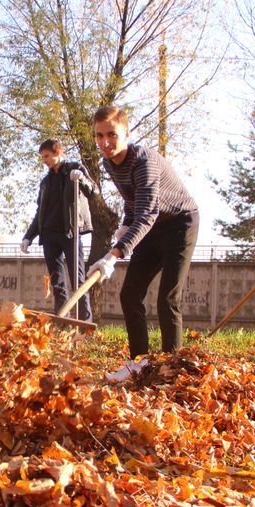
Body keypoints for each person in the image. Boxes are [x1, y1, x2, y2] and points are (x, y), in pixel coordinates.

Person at [88, 106, 199, 383]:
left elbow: (148, 212)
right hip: (152, 228)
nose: (105, 143)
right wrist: (126, 225)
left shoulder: (144, 161)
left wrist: (114, 254)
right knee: (130, 294)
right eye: (99, 136)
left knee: (167, 299)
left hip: (180, 224)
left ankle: (172, 368)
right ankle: (138, 363)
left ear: (127, 132)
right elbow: (132, 200)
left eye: (112, 134)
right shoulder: (109, 163)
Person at [21, 139, 97, 321]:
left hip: (69, 233)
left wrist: (82, 179)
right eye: (42, 157)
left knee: (78, 280)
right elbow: (41, 212)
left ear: (57, 152)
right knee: (57, 282)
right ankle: (63, 321)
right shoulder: (45, 182)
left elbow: (94, 192)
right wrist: (28, 237)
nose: (44, 161)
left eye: (46, 156)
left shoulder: (74, 169)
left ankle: (84, 323)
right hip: (49, 235)